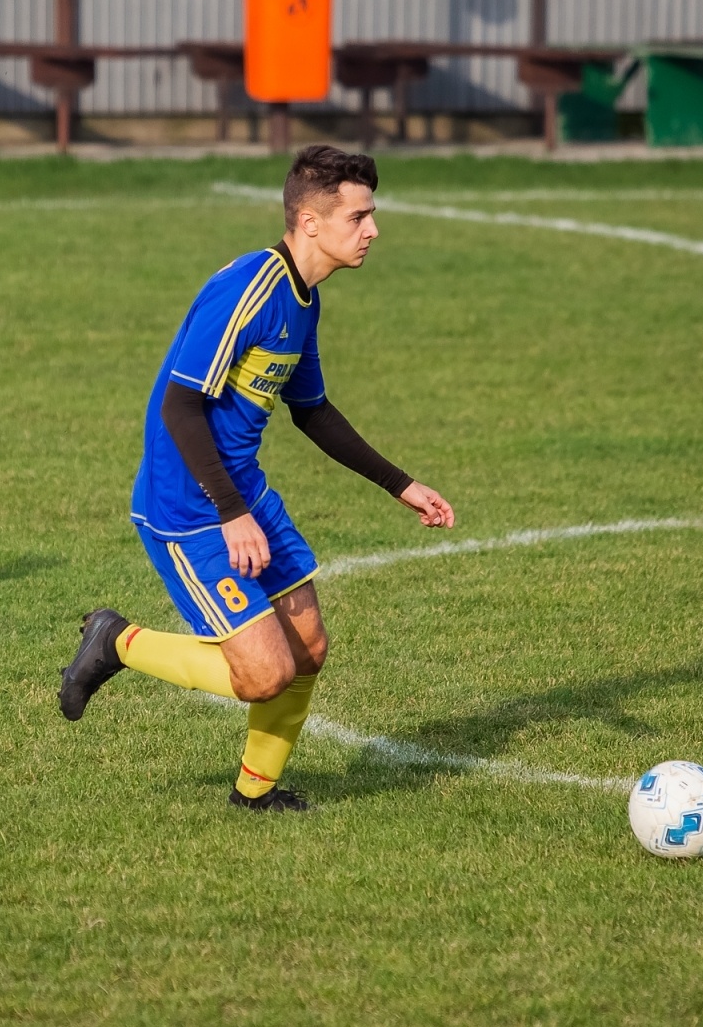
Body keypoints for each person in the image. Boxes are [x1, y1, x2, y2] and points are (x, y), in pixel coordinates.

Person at [56, 145, 454, 812]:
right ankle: (116, 641)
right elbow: (180, 406)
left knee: (309, 649)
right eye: (358, 217)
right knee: (265, 673)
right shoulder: (249, 289)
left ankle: (255, 794)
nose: (373, 230)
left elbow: (312, 410)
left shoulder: (303, 300)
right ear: (310, 222)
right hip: (189, 505)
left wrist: (401, 484)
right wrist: (231, 512)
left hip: (242, 493)